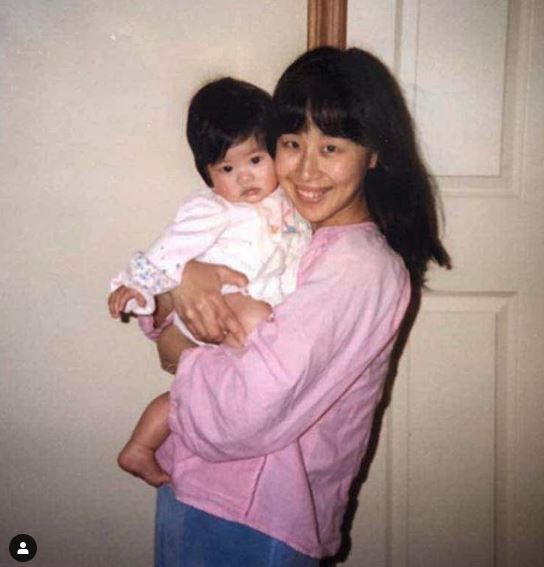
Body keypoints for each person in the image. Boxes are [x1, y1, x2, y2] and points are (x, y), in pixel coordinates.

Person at [145, 46, 451, 566]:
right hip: (200, 486)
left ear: (374, 153)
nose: (306, 170)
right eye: (291, 143)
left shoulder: (360, 267)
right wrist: (181, 282)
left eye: (331, 147)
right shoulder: (284, 229)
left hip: (258, 517)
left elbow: (249, 408)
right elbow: (180, 301)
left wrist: (178, 350)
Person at [108, 77, 310, 487]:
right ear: (208, 173)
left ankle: (140, 448)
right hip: (222, 304)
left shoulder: (288, 202)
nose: (245, 178)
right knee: (258, 320)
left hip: (248, 318)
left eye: (255, 160)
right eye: (227, 168)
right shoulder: (213, 209)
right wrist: (136, 286)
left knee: (202, 393)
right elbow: (168, 250)